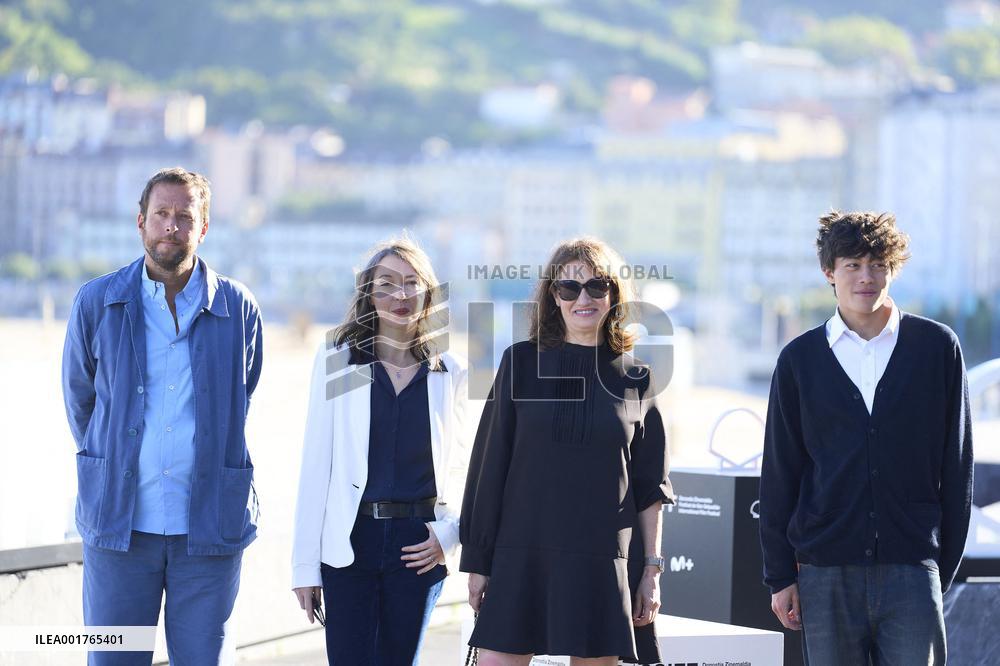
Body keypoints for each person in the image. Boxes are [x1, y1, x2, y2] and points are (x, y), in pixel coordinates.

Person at [61, 167, 264, 665]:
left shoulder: (237, 308)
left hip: (209, 530)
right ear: (141, 222)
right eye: (161, 215)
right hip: (120, 527)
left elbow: (243, 393)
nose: (171, 226)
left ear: (204, 227)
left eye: (184, 216)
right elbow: (79, 398)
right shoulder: (97, 301)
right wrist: (110, 459)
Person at [759, 211, 974, 665]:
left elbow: (957, 466)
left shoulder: (937, 348)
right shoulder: (799, 360)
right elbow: (781, 472)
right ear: (829, 273)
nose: (866, 277)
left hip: (912, 570)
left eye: (877, 264)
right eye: (852, 265)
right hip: (825, 574)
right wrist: (781, 576)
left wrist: (937, 567)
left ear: (892, 269)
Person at [460, 237, 674, 666]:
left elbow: (651, 489)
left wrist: (651, 571)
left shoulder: (638, 378)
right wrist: (478, 561)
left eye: (597, 286)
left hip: (601, 561)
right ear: (552, 297)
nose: (584, 298)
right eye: (569, 288)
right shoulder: (519, 363)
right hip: (521, 553)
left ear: (613, 295)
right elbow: (489, 466)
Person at [291, 237, 474, 665]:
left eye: (412, 283)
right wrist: (304, 566)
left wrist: (449, 536)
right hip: (349, 541)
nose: (400, 294)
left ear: (429, 293)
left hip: (419, 547)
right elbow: (317, 463)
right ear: (369, 294)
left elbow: (465, 467)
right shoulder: (342, 359)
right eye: (387, 283)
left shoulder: (449, 370)